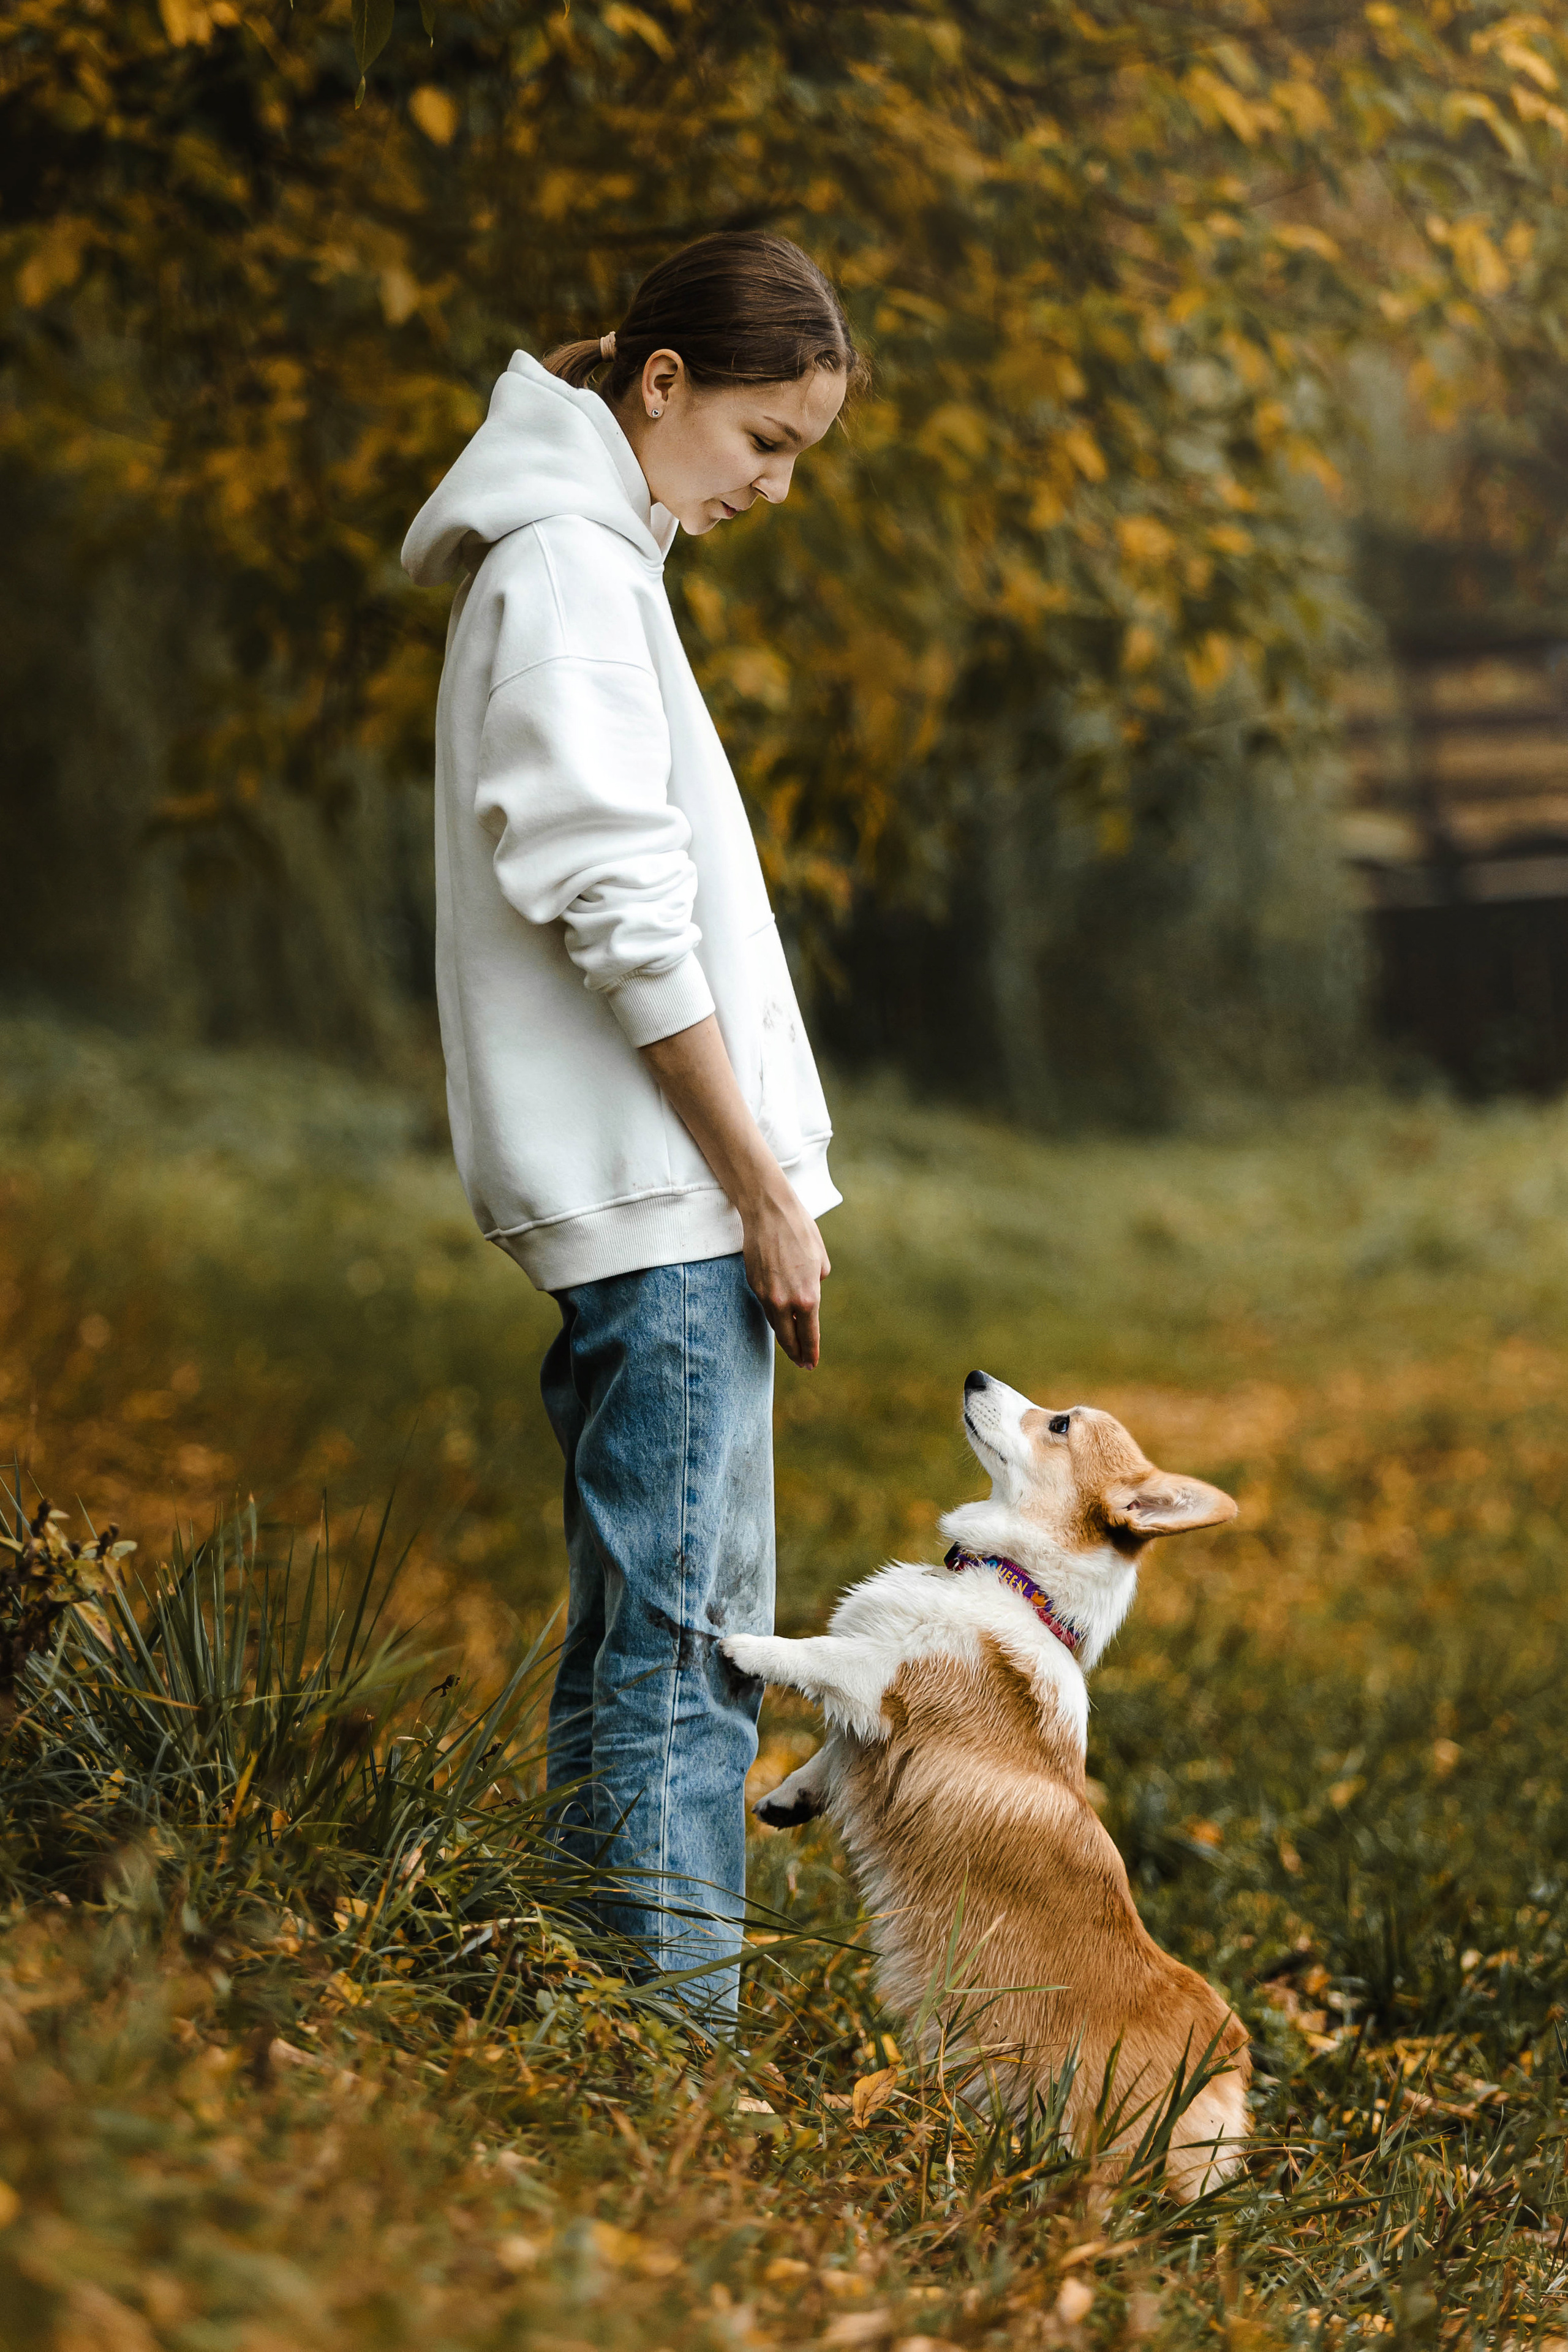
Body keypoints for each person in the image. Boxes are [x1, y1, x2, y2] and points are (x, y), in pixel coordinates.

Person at [401, 232, 865, 2024]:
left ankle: (593, 2027)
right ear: (658, 385)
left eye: (802, 450)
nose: (778, 484)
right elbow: (613, 898)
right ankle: (673, 2076)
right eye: (765, 438)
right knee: (686, 1658)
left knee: (639, 1645)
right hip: (667, 1207)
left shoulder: (597, 563)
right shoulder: (570, 575)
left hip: (663, 1204)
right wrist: (759, 1188)